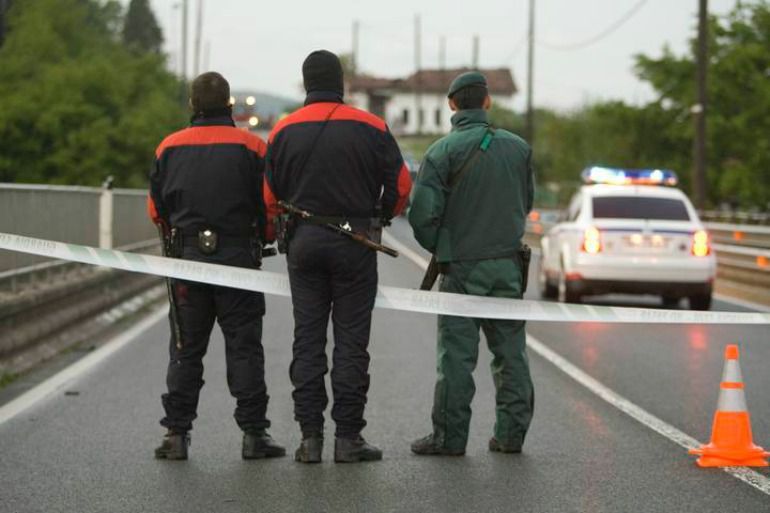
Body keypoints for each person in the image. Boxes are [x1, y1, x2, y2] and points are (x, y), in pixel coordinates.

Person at [264, 50, 412, 463]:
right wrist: (381, 215)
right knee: (351, 343)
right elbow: (401, 186)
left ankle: (310, 439)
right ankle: (348, 439)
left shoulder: (282, 130)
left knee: (307, 341)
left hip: (304, 245)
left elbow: (269, 198)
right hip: (355, 242)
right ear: (341, 82)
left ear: (306, 82)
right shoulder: (372, 126)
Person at [148, 72, 285, 461]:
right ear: (229, 106)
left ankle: (176, 435)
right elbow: (269, 207)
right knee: (244, 347)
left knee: (185, 348)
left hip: (188, 263)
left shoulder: (168, 148)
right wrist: (266, 235)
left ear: (192, 106)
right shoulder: (253, 147)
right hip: (239, 260)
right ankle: (254, 435)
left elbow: (156, 210)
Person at [408, 71, 535, 456]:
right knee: (511, 353)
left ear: (451, 104)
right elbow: (525, 203)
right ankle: (510, 436)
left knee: (457, 357)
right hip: (508, 266)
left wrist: (445, 248)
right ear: (488, 102)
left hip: (463, 268)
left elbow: (421, 217)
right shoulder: (519, 148)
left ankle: (449, 438)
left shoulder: (442, 152)